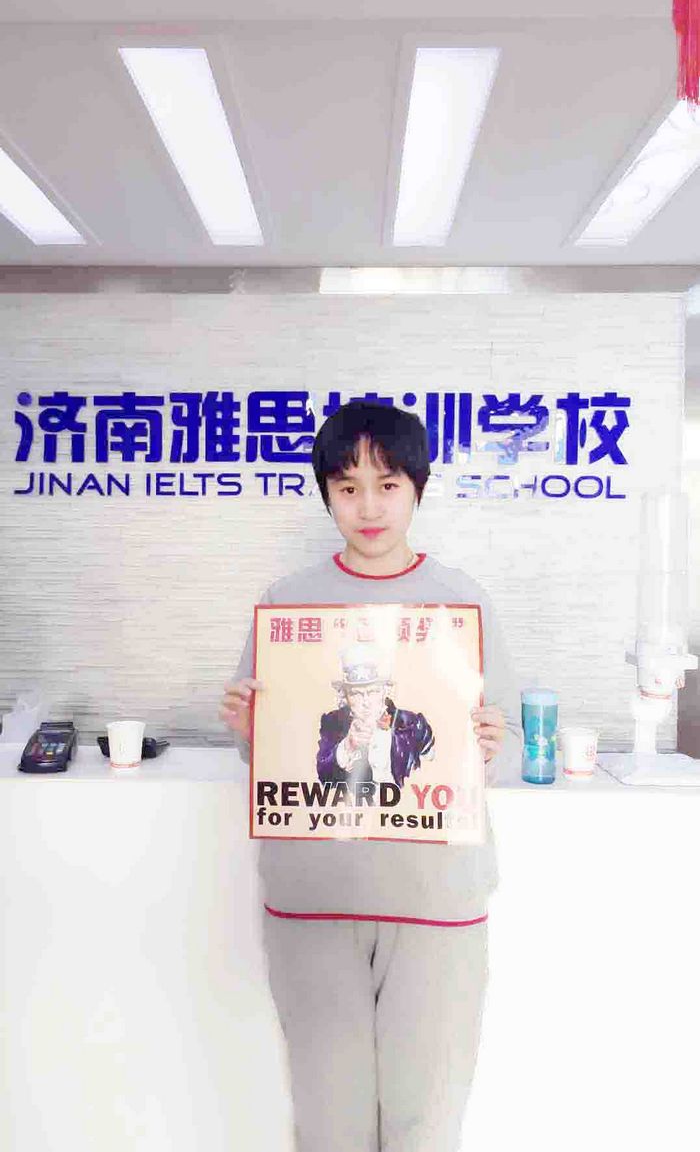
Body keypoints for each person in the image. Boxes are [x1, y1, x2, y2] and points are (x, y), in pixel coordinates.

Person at [219, 400, 522, 1152]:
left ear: (417, 487)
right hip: (315, 899)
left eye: (387, 485)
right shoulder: (287, 602)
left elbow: (509, 744)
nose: (369, 506)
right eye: (347, 487)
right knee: (330, 1123)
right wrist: (250, 728)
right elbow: (271, 756)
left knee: (425, 1123)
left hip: (435, 901)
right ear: (326, 493)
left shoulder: (461, 600)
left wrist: (492, 743)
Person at [317, 641, 435, 786]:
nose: (366, 702)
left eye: (373, 692)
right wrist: (347, 746)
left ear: (385, 691)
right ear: (345, 697)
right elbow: (322, 775)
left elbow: (433, 769)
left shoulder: (413, 724)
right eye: (356, 694)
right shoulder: (332, 723)